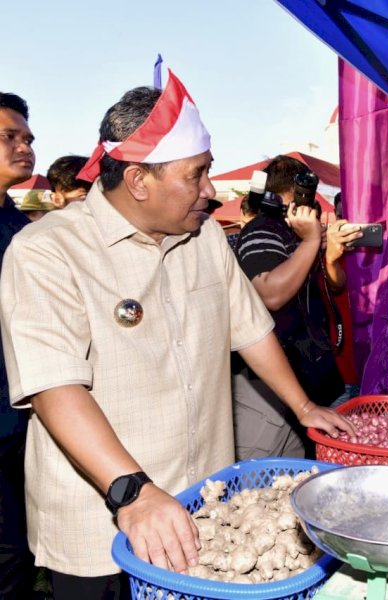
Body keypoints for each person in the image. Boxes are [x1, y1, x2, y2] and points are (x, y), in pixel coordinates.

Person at [0, 73, 354, 599]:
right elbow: (55, 387)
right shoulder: (47, 251)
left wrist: (302, 407)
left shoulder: (206, 236)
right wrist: (132, 493)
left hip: (203, 508)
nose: (211, 190)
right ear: (139, 180)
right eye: (198, 174)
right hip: (104, 518)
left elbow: (252, 330)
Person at [234, 155, 359, 454]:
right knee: (267, 480)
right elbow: (271, 294)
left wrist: (329, 255)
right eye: (307, 194)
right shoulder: (262, 229)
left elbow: (336, 285)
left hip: (313, 374)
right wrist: (311, 243)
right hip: (271, 388)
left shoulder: (298, 233)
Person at [0, 91, 36, 600]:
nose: (25, 147)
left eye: (27, 137)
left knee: (14, 554)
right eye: (9, 137)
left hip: (17, 422)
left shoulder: (18, 227)